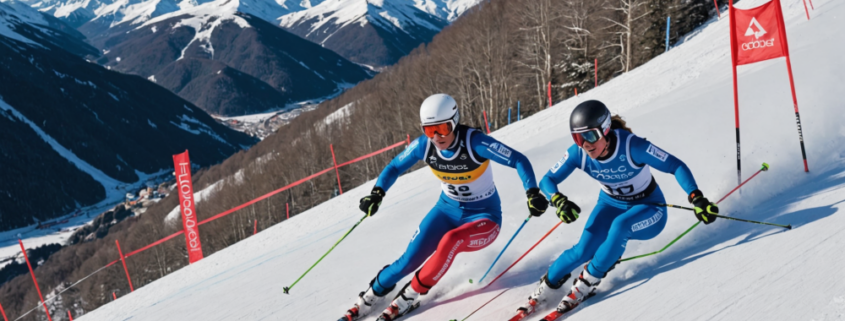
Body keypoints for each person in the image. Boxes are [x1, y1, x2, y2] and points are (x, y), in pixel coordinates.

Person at [340, 94, 549, 321]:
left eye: (442, 128)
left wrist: (532, 192)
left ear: (455, 122)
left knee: (450, 241)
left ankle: (408, 296)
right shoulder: (424, 146)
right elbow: (394, 167)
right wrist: (377, 193)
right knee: (407, 261)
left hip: (484, 218)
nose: (437, 136)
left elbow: (518, 159)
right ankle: (369, 297)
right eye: (430, 130)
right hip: (446, 210)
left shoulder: (475, 142)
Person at [512, 100, 719, 320]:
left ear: (605, 130)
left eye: (589, 136)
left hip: (649, 208)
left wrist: (696, 197)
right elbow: (548, 179)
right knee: (583, 250)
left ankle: (587, 283)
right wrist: (558, 200)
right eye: (577, 137)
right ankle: (545, 288)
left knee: (620, 227)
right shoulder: (579, 153)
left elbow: (675, 165)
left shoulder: (633, 147)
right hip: (610, 204)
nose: (584, 144)